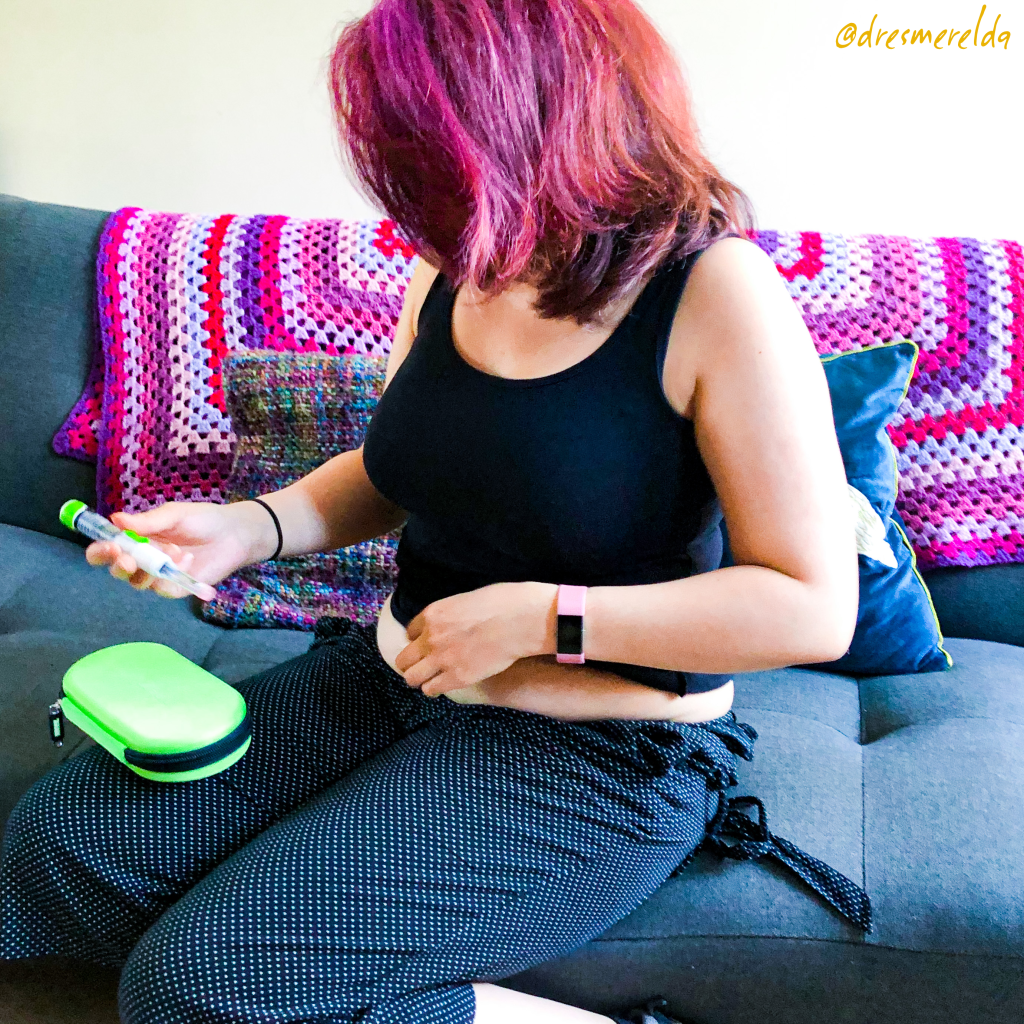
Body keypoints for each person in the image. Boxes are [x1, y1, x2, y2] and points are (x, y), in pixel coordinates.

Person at [0, 1, 865, 1021]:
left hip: (595, 753)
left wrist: (550, 619)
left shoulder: (717, 293)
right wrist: (247, 527)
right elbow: (395, 470)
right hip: (387, 679)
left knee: (198, 985)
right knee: (53, 860)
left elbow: (811, 605)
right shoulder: (463, 263)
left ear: (531, 121)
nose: (408, 196)